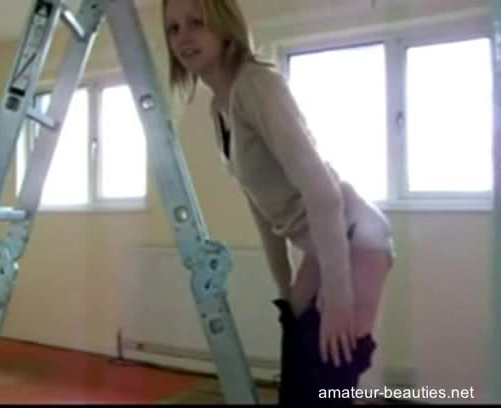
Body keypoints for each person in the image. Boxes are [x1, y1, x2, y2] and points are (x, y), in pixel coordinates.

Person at [162, 0, 395, 404]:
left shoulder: (256, 84)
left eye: (196, 23)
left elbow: (322, 192)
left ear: (224, 25)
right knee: (296, 358)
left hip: (358, 237)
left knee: (326, 380)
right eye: (174, 28)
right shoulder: (219, 107)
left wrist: (339, 297)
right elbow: (260, 205)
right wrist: (285, 289)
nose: (183, 38)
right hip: (324, 245)